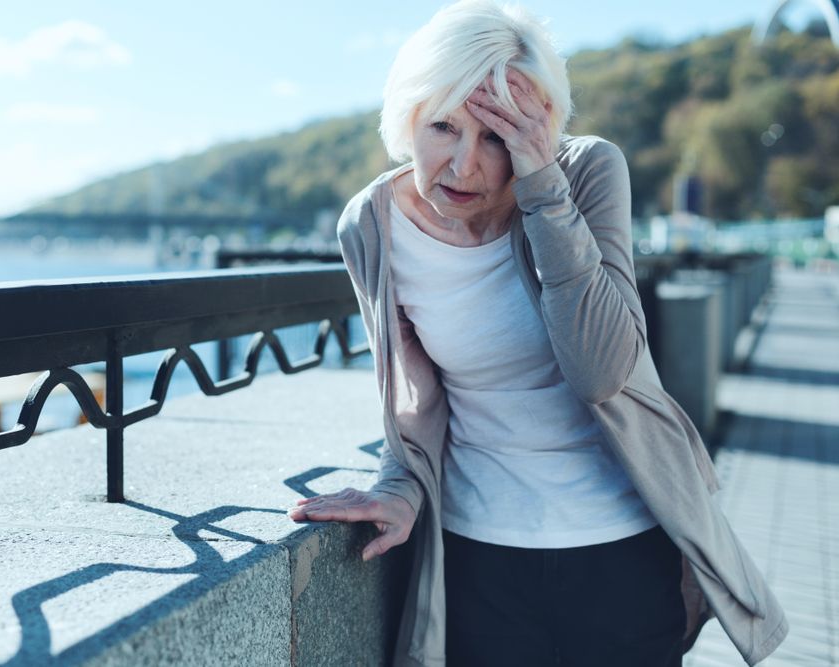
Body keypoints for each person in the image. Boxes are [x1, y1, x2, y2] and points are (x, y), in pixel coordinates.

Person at [288, 1, 788, 666]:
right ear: (407, 117)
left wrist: (544, 186)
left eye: (495, 136)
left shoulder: (586, 173)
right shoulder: (372, 226)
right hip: (480, 562)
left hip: (622, 554)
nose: (464, 165)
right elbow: (413, 395)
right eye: (442, 126)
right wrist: (398, 487)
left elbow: (601, 369)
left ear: (540, 128)